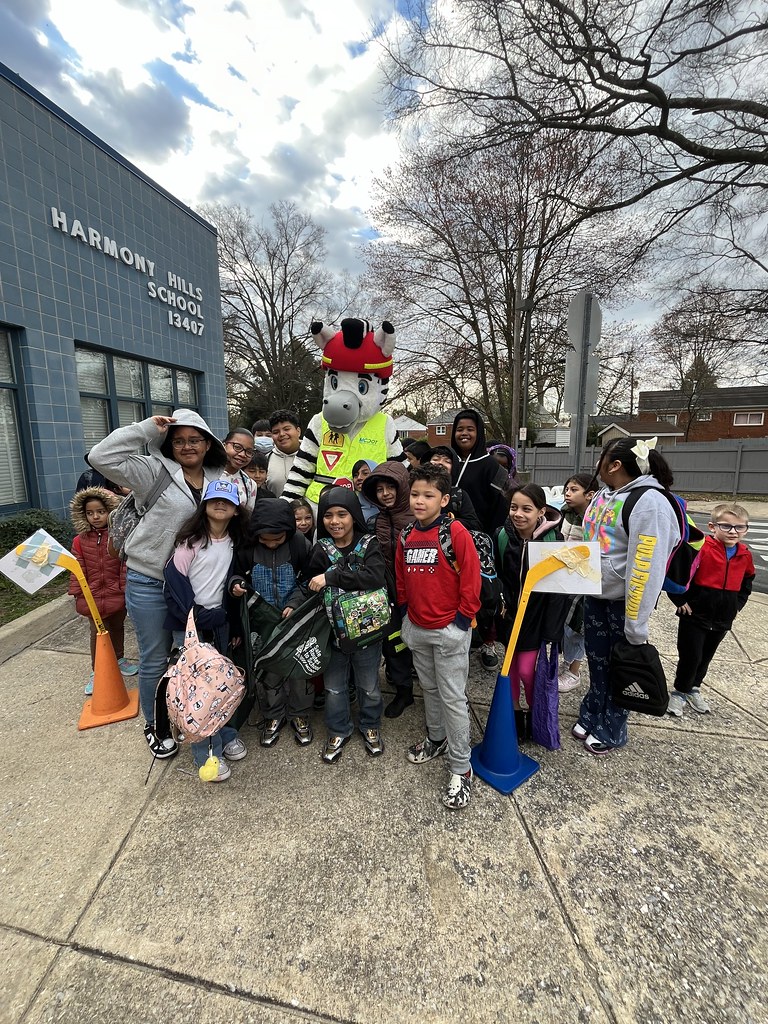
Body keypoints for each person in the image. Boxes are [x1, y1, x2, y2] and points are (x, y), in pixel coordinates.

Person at [88, 410, 228, 760]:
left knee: (188, 658)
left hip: (191, 588)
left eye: (194, 439)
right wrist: (146, 429)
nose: (186, 446)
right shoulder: (153, 472)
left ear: (207, 443)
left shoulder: (217, 476)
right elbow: (100, 457)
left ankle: (189, 715)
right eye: (178, 440)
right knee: (153, 659)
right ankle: (155, 724)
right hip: (149, 580)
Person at [573, 437, 680, 755]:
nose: (596, 465)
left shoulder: (650, 503)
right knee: (597, 661)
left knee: (620, 667)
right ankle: (592, 713)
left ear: (615, 464)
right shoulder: (606, 494)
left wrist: (636, 622)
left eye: (601, 458)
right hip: (596, 595)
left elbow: (646, 568)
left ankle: (612, 727)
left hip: (624, 603)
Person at [396, 464, 481, 810]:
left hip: (449, 631)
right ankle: (436, 738)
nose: (419, 501)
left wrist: (461, 621)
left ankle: (462, 767)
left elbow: (471, 580)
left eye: (428, 495)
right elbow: (401, 579)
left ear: (444, 499)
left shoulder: (455, 532)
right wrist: (405, 615)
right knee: (428, 689)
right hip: (417, 629)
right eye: (415, 494)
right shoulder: (406, 536)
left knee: (452, 698)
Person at [163, 480, 248, 782]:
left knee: (220, 686)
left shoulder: (237, 542)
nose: (220, 505)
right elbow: (173, 585)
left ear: (236, 510)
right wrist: (198, 616)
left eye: (227, 501)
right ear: (205, 505)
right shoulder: (191, 542)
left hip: (221, 623)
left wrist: (232, 623)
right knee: (195, 693)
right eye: (214, 500)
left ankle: (226, 735)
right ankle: (206, 755)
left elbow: (231, 585)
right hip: (191, 628)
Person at [305, 486, 387, 764]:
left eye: (342, 514)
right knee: (334, 688)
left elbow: (375, 577)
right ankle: (338, 729)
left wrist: (332, 577)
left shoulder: (370, 544)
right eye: (328, 515)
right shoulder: (320, 549)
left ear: (354, 515)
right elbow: (308, 585)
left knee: (369, 686)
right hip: (331, 634)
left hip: (367, 633)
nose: (335, 521)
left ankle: (370, 725)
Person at [229, 498, 314, 747]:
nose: (271, 543)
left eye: (277, 539)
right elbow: (235, 572)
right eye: (265, 539)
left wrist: (295, 603)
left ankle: (300, 714)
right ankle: (272, 716)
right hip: (261, 620)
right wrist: (235, 585)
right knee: (268, 671)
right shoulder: (247, 547)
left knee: (298, 670)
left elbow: (309, 579)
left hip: (294, 619)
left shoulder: (299, 544)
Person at [494, 483, 569, 743]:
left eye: (527, 509)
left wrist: (552, 629)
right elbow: (498, 575)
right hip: (509, 615)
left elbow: (560, 590)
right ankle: (514, 716)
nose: (518, 514)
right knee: (509, 668)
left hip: (537, 616)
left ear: (541, 512)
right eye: (514, 507)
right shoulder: (502, 536)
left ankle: (536, 713)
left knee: (527, 670)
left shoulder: (553, 540)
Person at [667, 502, 755, 717]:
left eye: (739, 527)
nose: (733, 531)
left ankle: (694, 687)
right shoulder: (701, 548)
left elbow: (747, 581)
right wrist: (680, 600)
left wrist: (737, 605)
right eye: (726, 526)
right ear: (712, 527)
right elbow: (676, 574)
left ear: (745, 529)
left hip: (723, 617)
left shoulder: (744, 554)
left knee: (706, 656)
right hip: (695, 614)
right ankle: (679, 692)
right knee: (691, 655)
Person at [68, 486, 137, 695]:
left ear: (110, 512)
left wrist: (125, 590)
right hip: (92, 597)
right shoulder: (80, 541)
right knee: (97, 634)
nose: (95, 517)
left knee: (117, 627)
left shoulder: (118, 537)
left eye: (100, 511)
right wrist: (78, 593)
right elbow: (76, 568)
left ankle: (119, 658)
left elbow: (124, 564)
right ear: (83, 515)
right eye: (90, 513)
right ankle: (97, 671)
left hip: (116, 595)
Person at [361, 460, 416, 718]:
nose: (385, 494)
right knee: (395, 643)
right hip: (389, 595)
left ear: (403, 486)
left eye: (390, 487)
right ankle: (404, 691)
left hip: (419, 595)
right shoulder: (376, 521)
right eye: (380, 489)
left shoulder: (419, 517)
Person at [557, 473, 596, 693]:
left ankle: (574, 671)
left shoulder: (594, 518)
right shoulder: (565, 514)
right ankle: (566, 665)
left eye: (574, 490)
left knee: (576, 627)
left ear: (590, 495)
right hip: (565, 576)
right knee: (565, 624)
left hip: (584, 578)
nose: (568, 494)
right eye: (567, 490)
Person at [449, 409, 509, 535]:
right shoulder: (447, 461)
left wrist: (491, 539)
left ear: (479, 433)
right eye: (460, 429)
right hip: (445, 534)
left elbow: (499, 509)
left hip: (479, 536)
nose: (464, 433)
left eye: (470, 429)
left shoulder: (491, 465)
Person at [422, 446, 482, 530]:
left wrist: (449, 521)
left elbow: (474, 524)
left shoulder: (459, 495)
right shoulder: (416, 490)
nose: (440, 463)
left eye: (447, 461)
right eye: (435, 459)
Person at [220, 427, 258, 511]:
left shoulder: (250, 485)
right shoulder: (205, 474)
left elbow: (247, 516)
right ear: (224, 445)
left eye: (249, 452)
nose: (242, 454)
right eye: (237, 447)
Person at [267, 409, 302, 496]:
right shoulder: (266, 460)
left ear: (298, 431)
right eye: (276, 432)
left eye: (286, 429)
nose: (282, 434)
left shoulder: (315, 457)